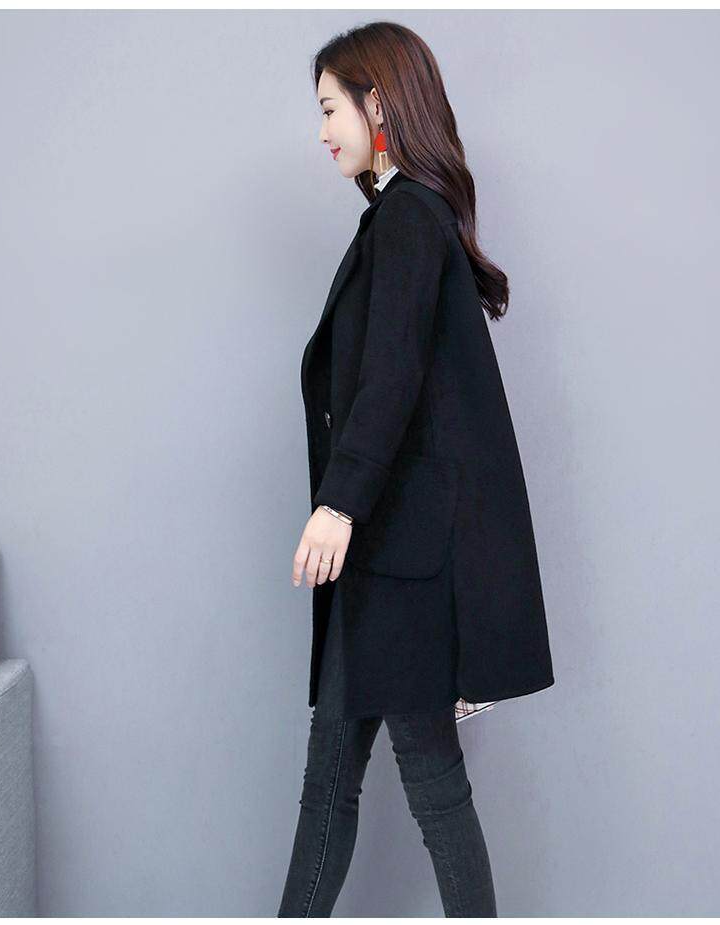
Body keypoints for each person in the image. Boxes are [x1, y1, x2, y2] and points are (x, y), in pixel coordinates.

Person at [279, 20, 554, 918]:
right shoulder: (404, 216)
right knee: (332, 786)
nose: (323, 131)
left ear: (378, 104)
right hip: (388, 558)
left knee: (426, 790)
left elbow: (391, 377)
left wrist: (338, 504)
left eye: (330, 108)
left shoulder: (407, 218)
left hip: (401, 559)